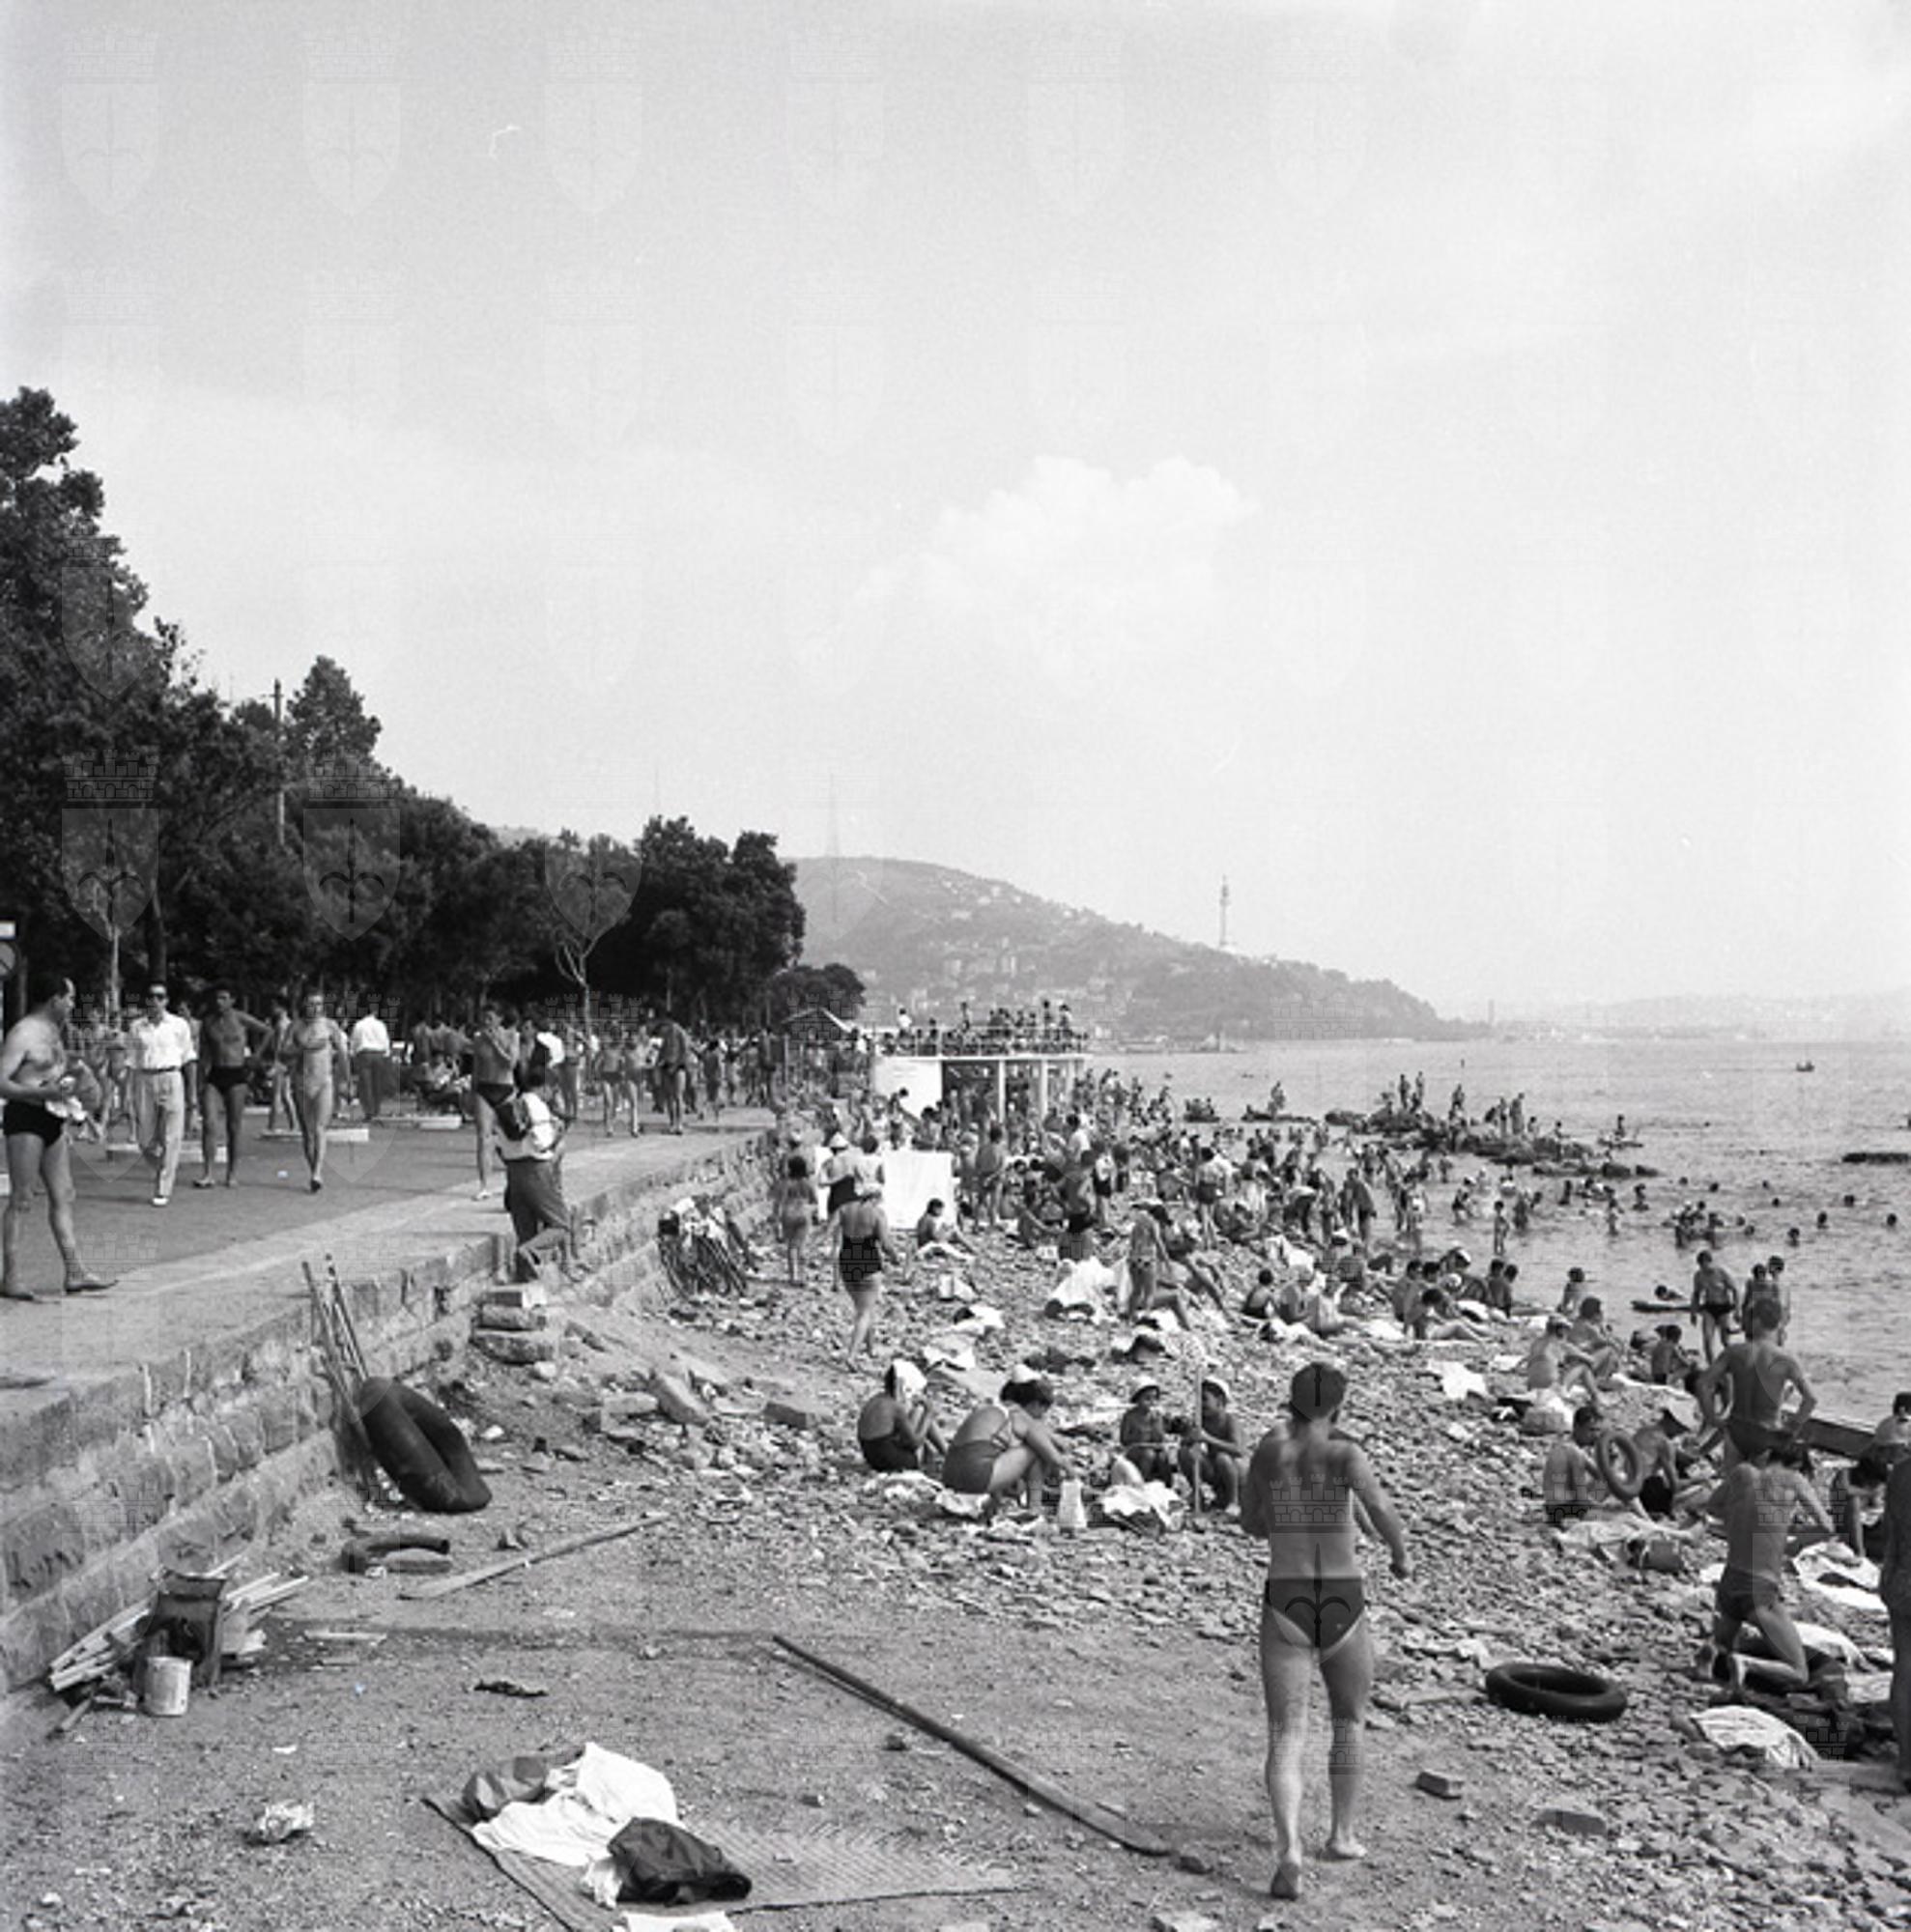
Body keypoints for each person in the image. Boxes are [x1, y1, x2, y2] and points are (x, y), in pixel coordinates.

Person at [1241, 1363, 1411, 1903]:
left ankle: (1289, 1847)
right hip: (1341, 1597)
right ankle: (1341, 1835)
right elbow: (1380, 1507)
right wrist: (1401, 1554)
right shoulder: (1345, 1452)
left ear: (1290, 1401)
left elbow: (1250, 1522)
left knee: (1286, 1733)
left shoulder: (1269, 1451)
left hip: (1287, 1596)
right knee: (1348, 1721)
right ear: (1339, 1406)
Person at [0, 972, 117, 1300]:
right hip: (26, 1117)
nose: (72, 1004)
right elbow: (1, 1082)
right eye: (69, 998)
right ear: (54, 999)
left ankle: (75, 1271)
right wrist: (40, 1093)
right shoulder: (23, 1033)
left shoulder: (56, 1030)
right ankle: (11, 1276)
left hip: (54, 1116)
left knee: (64, 1194)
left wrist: (76, 1075)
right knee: (22, 1198)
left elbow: (53, 1074)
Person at [1701, 1438, 1832, 1690]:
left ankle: (1712, 1651)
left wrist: (1744, 1520)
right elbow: (1827, 1527)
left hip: (1729, 1581)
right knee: (1799, 1672)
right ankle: (1747, 1663)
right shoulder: (1793, 1479)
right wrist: (1798, 1544)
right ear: (1797, 1464)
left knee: (1726, 1645)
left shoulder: (1742, 1473)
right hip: (1760, 1587)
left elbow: (1713, 1507)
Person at [1692, 1299, 1816, 1466]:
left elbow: (1703, 1384)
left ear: (1756, 1321)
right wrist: (1791, 1427)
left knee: (1733, 1479)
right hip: (1767, 1431)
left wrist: (1712, 1418)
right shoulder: (1785, 1359)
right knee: (1761, 1482)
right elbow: (1810, 1399)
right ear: (1778, 1323)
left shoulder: (1734, 1352)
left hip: (1737, 1428)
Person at [942, 1370, 1074, 1506]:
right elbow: (1054, 1458)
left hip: (949, 1475)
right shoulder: (1020, 1415)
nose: (1041, 1417)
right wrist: (1073, 1476)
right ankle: (1034, 1508)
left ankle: (995, 1503)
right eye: (1043, 1411)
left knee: (1001, 1454)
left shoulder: (993, 1408)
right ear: (1035, 1404)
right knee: (1034, 1452)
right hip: (976, 1476)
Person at [495, 1064, 575, 1279]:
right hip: (536, 1170)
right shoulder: (537, 1107)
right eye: (553, 1090)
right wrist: (557, 1133)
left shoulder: (510, 1107)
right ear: (545, 1087)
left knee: (525, 1230)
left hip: (513, 1172)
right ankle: (529, 1251)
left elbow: (499, 1146)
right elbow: (542, 1143)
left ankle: (524, 1278)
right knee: (561, 1224)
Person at [194, 985, 271, 1188]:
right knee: (209, 1123)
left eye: (223, 998)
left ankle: (232, 1172)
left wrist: (256, 1056)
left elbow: (267, 1031)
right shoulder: (208, 1022)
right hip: (215, 1073)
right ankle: (208, 1172)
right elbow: (203, 1054)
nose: (219, 1002)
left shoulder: (240, 1018)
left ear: (232, 1000)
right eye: (217, 998)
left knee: (234, 1126)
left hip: (236, 1073)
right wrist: (199, 1082)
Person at [128, 982, 196, 1207]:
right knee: (144, 1138)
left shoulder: (179, 1025)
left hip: (171, 1076)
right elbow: (132, 1062)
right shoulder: (137, 1027)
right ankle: (162, 1166)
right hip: (145, 1078)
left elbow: (188, 1058)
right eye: (151, 996)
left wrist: (192, 1096)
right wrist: (128, 1094)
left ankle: (163, 1187)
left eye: (160, 997)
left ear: (166, 1000)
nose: (155, 1001)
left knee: (171, 1136)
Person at [281, 991, 350, 1193]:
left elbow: (343, 1054)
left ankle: (317, 1172)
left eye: (319, 1004)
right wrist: (302, 1048)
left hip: (324, 1081)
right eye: (311, 1004)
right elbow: (282, 1053)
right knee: (307, 1132)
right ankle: (313, 1170)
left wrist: (346, 1081)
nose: (315, 1008)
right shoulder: (295, 1026)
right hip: (302, 1082)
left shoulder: (330, 1026)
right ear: (305, 1006)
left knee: (320, 1128)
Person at [830, 1180, 898, 1366]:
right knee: (864, 1312)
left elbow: (830, 1230)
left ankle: (870, 1348)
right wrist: (895, 1257)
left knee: (865, 1308)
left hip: (847, 1261)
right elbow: (885, 1244)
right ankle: (852, 1356)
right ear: (877, 1197)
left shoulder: (844, 1209)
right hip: (868, 1262)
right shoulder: (877, 1213)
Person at [1879, 1457, 1911, 1789]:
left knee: (1904, 1667)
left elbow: (1890, 1528)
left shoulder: (1901, 1472)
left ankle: (1906, 1762)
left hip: (1901, 1578)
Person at [856, 1358, 946, 1473]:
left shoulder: (877, 1400)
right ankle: (946, 1452)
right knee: (920, 1412)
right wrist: (929, 1414)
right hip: (892, 1463)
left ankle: (946, 1451)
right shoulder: (895, 1407)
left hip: (872, 1458)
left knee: (917, 1412)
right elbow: (915, 1443)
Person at [470, 1005, 520, 1201]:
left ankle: (515, 1180)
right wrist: (472, 1091)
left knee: (509, 1137)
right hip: (484, 1088)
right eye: (484, 1018)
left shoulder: (511, 1036)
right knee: (483, 1137)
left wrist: (495, 1044)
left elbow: (510, 1064)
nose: (486, 1022)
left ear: (499, 1019)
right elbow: (476, 1067)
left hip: (505, 1088)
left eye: (490, 1018)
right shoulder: (478, 1038)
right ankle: (484, 1185)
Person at [1179, 1375, 1247, 1513]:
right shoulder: (1202, 1420)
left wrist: (1207, 1438)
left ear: (1220, 1401)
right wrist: (1189, 1436)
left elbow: (1239, 1450)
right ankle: (1197, 1494)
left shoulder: (1230, 1421)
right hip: (1217, 1472)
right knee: (1185, 1453)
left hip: (1236, 1474)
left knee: (1223, 1458)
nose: (1200, 1404)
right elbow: (1187, 1442)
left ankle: (1234, 1502)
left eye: (1205, 1399)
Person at [1541, 1406, 1601, 1526]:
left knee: (1618, 1479)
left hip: (1554, 1507)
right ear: (1576, 1427)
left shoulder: (1568, 1446)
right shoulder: (1574, 1452)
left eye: (1597, 1430)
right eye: (1591, 1430)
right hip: (1562, 1509)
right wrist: (1598, 1506)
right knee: (1611, 1515)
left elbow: (1601, 1476)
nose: (1595, 1435)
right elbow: (1580, 1494)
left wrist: (1610, 1460)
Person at [773, 1139, 819, 1285]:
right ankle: (803, 1276)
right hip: (804, 1212)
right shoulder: (808, 1183)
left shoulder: (786, 1184)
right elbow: (815, 1201)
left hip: (789, 1213)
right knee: (801, 1246)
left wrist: (776, 1221)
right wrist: (814, 1214)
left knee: (791, 1246)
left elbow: (779, 1202)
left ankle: (793, 1276)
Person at [1828, 1455, 1889, 1560]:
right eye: (1872, 1483)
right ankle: (1859, 1550)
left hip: (1871, 1529)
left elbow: (1877, 1505)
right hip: (1850, 1532)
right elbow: (1846, 1490)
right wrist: (1870, 1493)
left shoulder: (1875, 1487)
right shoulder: (1845, 1475)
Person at [1117, 1378, 1174, 1484]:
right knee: (1148, 1455)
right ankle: (1142, 1482)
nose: (1152, 1402)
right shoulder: (1129, 1416)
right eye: (1147, 1399)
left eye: (1154, 1398)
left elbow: (1160, 1439)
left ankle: (1167, 1484)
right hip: (1135, 1449)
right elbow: (1124, 1440)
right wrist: (1139, 1438)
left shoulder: (1156, 1416)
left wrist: (1156, 1424)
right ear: (1137, 1399)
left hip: (1153, 1447)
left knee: (1163, 1456)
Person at [1688, 1250, 1739, 1364]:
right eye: (1700, 1265)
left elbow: (1735, 1290)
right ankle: (1711, 1365)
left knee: (1725, 1341)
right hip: (1709, 1308)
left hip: (1723, 1308)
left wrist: (1737, 1310)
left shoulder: (1721, 1273)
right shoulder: (1699, 1276)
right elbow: (1696, 1294)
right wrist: (1693, 1313)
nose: (1703, 1268)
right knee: (1707, 1338)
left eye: (1704, 1265)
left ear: (1710, 1262)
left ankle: (1733, 1362)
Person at [348, 1003, 391, 1122]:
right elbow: (385, 1040)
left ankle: (369, 1112)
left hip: (365, 1053)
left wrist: (352, 1053)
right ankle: (376, 1110)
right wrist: (386, 1053)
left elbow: (354, 1041)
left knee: (366, 1084)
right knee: (377, 1083)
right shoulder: (380, 1025)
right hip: (379, 1054)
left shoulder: (359, 1025)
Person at [654, 1011, 692, 1134]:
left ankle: (679, 1123)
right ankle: (672, 1122)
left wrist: (676, 1065)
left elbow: (685, 1051)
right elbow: (663, 1049)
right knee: (669, 1096)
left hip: (678, 1066)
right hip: (667, 1065)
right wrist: (658, 1062)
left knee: (677, 1095)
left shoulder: (681, 1032)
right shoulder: (666, 1033)